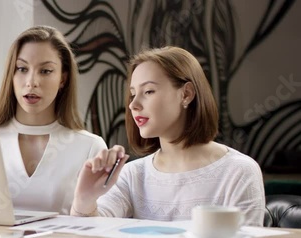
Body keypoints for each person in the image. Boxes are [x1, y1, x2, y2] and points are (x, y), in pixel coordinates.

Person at [70, 46, 265, 226]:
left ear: (186, 94)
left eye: (148, 91)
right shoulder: (132, 175)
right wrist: (84, 200)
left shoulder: (239, 172)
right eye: (132, 94)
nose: (133, 105)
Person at [0, 25, 107, 215]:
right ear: (11, 76)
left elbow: (101, 230)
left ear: (62, 79)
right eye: (22, 69)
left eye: (45, 71)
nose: (32, 82)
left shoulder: (90, 147)